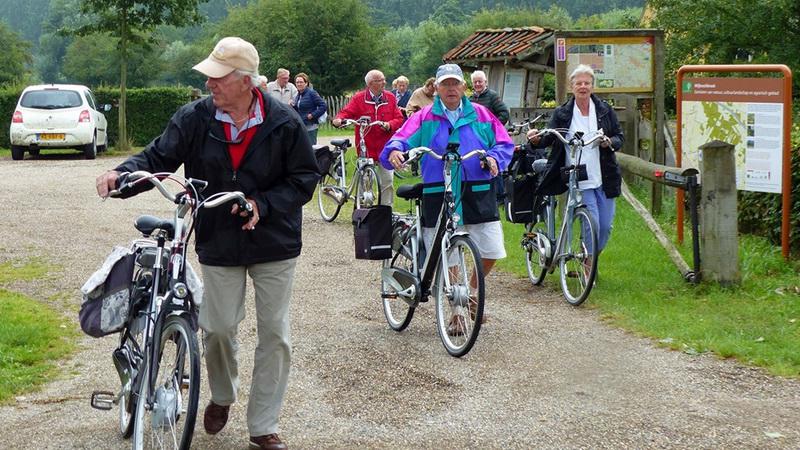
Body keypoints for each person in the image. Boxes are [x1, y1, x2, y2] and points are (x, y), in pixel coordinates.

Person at [95, 36, 320, 450]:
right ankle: (221, 394)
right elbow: (158, 157)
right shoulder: (196, 117)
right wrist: (121, 174)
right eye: (210, 77)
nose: (210, 84)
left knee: (275, 334)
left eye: (218, 77)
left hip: (274, 241)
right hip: (219, 237)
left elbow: (305, 179)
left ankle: (263, 425)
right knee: (217, 329)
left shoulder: (285, 121)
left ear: (246, 81)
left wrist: (261, 204)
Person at [381, 64, 513, 335]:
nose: (451, 89)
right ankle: (456, 310)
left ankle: (473, 291)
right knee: (444, 252)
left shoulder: (482, 114)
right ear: (436, 88)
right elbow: (400, 139)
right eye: (445, 84)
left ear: (463, 87)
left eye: (455, 84)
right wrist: (395, 151)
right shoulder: (425, 116)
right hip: (437, 189)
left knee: (490, 248)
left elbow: (504, 143)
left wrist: (493, 158)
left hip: (476, 188)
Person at [527, 64, 623, 270]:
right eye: (578, 83)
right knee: (593, 224)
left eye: (587, 83)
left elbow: (619, 137)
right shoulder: (562, 112)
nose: (583, 86)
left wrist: (609, 142)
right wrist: (535, 139)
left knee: (605, 227)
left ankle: (588, 254)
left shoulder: (605, 110)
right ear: (571, 86)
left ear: (592, 86)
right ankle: (588, 267)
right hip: (578, 177)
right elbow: (548, 137)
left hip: (605, 176)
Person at [332, 69, 404, 206]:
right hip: (366, 146)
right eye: (380, 80)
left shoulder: (390, 97)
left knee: (387, 182)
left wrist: (389, 125)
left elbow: (399, 118)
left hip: (386, 147)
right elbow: (346, 112)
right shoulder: (359, 98)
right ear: (370, 83)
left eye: (384, 79)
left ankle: (385, 211)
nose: (384, 82)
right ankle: (362, 209)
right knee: (365, 181)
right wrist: (339, 120)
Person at [470, 70, 511, 205]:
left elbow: (504, 113)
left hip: (491, 138)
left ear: (485, 82)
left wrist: (494, 129)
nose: (477, 84)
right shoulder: (470, 100)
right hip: (476, 138)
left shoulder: (493, 96)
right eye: (475, 82)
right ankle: (482, 193)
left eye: (480, 81)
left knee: (493, 162)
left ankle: (499, 196)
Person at [293, 72, 327, 145]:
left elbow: (323, 106)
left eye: (301, 82)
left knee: (311, 148)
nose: (299, 84)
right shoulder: (298, 95)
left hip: (311, 126)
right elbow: (299, 109)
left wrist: (313, 115)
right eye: (297, 82)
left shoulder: (312, 93)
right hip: (301, 125)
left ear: (306, 83)